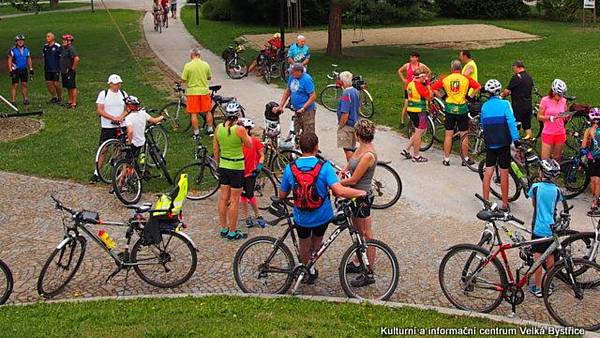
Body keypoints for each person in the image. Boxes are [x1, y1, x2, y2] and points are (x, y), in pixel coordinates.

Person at [279, 132, 367, 284]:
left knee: (304, 242)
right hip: (322, 216)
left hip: (301, 216)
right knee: (317, 242)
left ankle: (306, 270)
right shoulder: (324, 167)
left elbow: (282, 194)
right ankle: (310, 265)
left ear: (299, 147)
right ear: (316, 147)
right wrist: (360, 193)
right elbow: (339, 190)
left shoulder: (290, 168)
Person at [340, 119, 378, 287]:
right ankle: (357, 261)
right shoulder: (360, 149)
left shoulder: (368, 154)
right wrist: (343, 170)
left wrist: (336, 183)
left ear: (358, 134)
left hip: (362, 197)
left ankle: (369, 270)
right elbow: (351, 165)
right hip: (354, 196)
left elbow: (355, 179)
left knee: (366, 234)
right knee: (358, 232)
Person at [214, 101, 252, 240]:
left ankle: (223, 227)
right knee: (234, 200)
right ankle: (233, 230)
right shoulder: (239, 130)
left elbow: (216, 148)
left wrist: (218, 164)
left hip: (223, 165)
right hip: (236, 167)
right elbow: (249, 144)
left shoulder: (219, 128)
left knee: (224, 198)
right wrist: (244, 132)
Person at [431, 59, 481, 166]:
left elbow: (433, 88)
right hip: (462, 109)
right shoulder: (466, 79)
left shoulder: (446, 79)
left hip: (449, 109)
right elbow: (478, 86)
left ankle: (446, 159)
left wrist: (443, 96)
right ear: (460, 68)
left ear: (451, 68)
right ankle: (465, 159)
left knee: (448, 135)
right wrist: (469, 97)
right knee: (464, 134)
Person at [480, 79, 520, 211]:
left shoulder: (484, 106)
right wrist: (516, 139)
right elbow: (511, 122)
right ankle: (504, 203)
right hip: (503, 142)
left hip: (490, 142)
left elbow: (482, 124)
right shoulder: (505, 104)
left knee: (489, 171)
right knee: (504, 172)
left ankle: (486, 201)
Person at [527, 159, 563, 298]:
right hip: (551, 227)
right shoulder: (557, 190)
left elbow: (534, 205)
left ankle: (538, 287)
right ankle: (548, 284)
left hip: (538, 227)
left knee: (538, 257)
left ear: (541, 172)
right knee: (550, 257)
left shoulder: (536, 187)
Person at [90, 74, 129, 183]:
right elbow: (100, 110)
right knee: (104, 149)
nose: (118, 86)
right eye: (116, 84)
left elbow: (127, 108)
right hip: (108, 126)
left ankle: (118, 168)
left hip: (121, 125)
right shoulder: (104, 94)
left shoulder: (123, 94)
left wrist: (121, 117)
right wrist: (112, 117)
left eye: (119, 84)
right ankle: (96, 172)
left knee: (120, 148)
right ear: (110, 84)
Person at [238, 118, 267, 228]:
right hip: (240, 173)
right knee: (243, 195)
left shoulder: (254, 141)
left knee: (249, 194)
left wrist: (259, 166)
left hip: (251, 173)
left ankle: (257, 214)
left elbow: (261, 155)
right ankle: (246, 216)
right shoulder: (237, 143)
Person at [274, 63, 316, 136]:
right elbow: (288, 91)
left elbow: (313, 96)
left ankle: (310, 146)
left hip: (307, 111)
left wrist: (303, 108)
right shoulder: (292, 77)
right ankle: (296, 143)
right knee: (295, 130)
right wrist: (281, 106)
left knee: (309, 134)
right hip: (297, 110)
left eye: (293, 72)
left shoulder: (307, 79)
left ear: (299, 71)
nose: (291, 73)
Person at [401, 67, 432, 163]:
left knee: (417, 131)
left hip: (411, 109)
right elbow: (429, 97)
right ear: (421, 76)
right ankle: (416, 156)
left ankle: (406, 149)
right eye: (425, 76)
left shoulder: (411, 83)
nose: (426, 78)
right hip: (420, 111)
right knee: (419, 133)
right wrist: (428, 85)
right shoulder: (420, 86)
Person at [182, 47, 213, 139]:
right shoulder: (205, 64)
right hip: (204, 91)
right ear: (199, 55)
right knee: (208, 111)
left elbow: (184, 79)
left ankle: (196, 133)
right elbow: (209, 77)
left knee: (194, 113)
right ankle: (210, 130)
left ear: (192, 55)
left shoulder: (188, 65)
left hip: (192, 92)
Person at [502, 60, 535, 139]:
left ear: (518, 67)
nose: (514, 71)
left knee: (516, 126)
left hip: (518, 107)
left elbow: (506, 91)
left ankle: (517, 144)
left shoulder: (516, 77)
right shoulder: (529, 77)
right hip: (528, 105)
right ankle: (529, 143)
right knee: (527, 126)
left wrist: (501, 95)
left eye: (514, 68)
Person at [397, 52, 431, 126]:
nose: (412, 59)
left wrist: (425, 78)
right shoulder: (407, 65)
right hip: (409, 88)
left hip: (418, 87)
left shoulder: (421, 65)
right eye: (411, 57)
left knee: (421, 102)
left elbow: (429, 71)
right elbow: (399, 71)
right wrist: (403, 79)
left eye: (414, 57)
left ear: (417, 58)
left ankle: (419, 118)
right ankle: (402, 121)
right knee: (406, 105)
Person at [538, 79, 568, 161]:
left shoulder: (564, 101)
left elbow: (564, 113)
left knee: (557, 158)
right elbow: (539, 116)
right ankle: (543, 174)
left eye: (562, 95)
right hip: (548, 133)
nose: (561, 97)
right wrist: (549, 118)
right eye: (559, 94)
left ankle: (556, 173)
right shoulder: (545, 100)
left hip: (560, 132)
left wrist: (567, 116)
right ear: (553, 92)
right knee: (545, 160)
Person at [336, 71, 360, 161]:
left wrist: (341, 126)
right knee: (352, 147)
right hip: (355, 123)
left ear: (342, 81)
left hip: (347, 126)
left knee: (347, 149)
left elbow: (345, 113)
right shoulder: (356, 91)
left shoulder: (346, 95)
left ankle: (352, 169)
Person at [580, 108, 600, 215]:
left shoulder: (588, 130)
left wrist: (588, 155)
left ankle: (594, 202)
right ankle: (595, 203)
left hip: (592, 158)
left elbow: (583, 147)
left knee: (593, 181)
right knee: (598, 181)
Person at [7, 35, 33, 105]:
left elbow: (28, 59)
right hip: (15, 70)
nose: (20, 42)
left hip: (24, 69)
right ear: (16, 42)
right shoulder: (13, 50)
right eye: (19, 40)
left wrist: (31, 68)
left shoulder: (26, 49)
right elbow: (10, 60)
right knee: (15, 85)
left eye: (22, 40)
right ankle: (13, 100)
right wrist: (10, 70)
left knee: (24, 84)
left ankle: (25, 99)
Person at [60, 34, 79, 109]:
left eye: (65, 40)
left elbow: (77, 59)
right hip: (64, 71)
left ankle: (74, 103)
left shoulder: (71, 49)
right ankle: (70, 101)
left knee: (72, 87)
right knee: (68, 87)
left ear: (69, 42)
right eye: (63, 40)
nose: (63, 41)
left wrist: (72, 68)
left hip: (69, 71)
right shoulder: (64, 48)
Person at [43, 32, 62, 104]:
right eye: (46, 36)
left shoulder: (57, 46)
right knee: (49, 83)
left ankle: (60, 97)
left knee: (56, 83)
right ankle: (54, 97)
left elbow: (61, 57)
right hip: (47, 68)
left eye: (48, 36)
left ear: (53, 38)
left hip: (56, 68)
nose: (47, 38)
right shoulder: (45, 47)